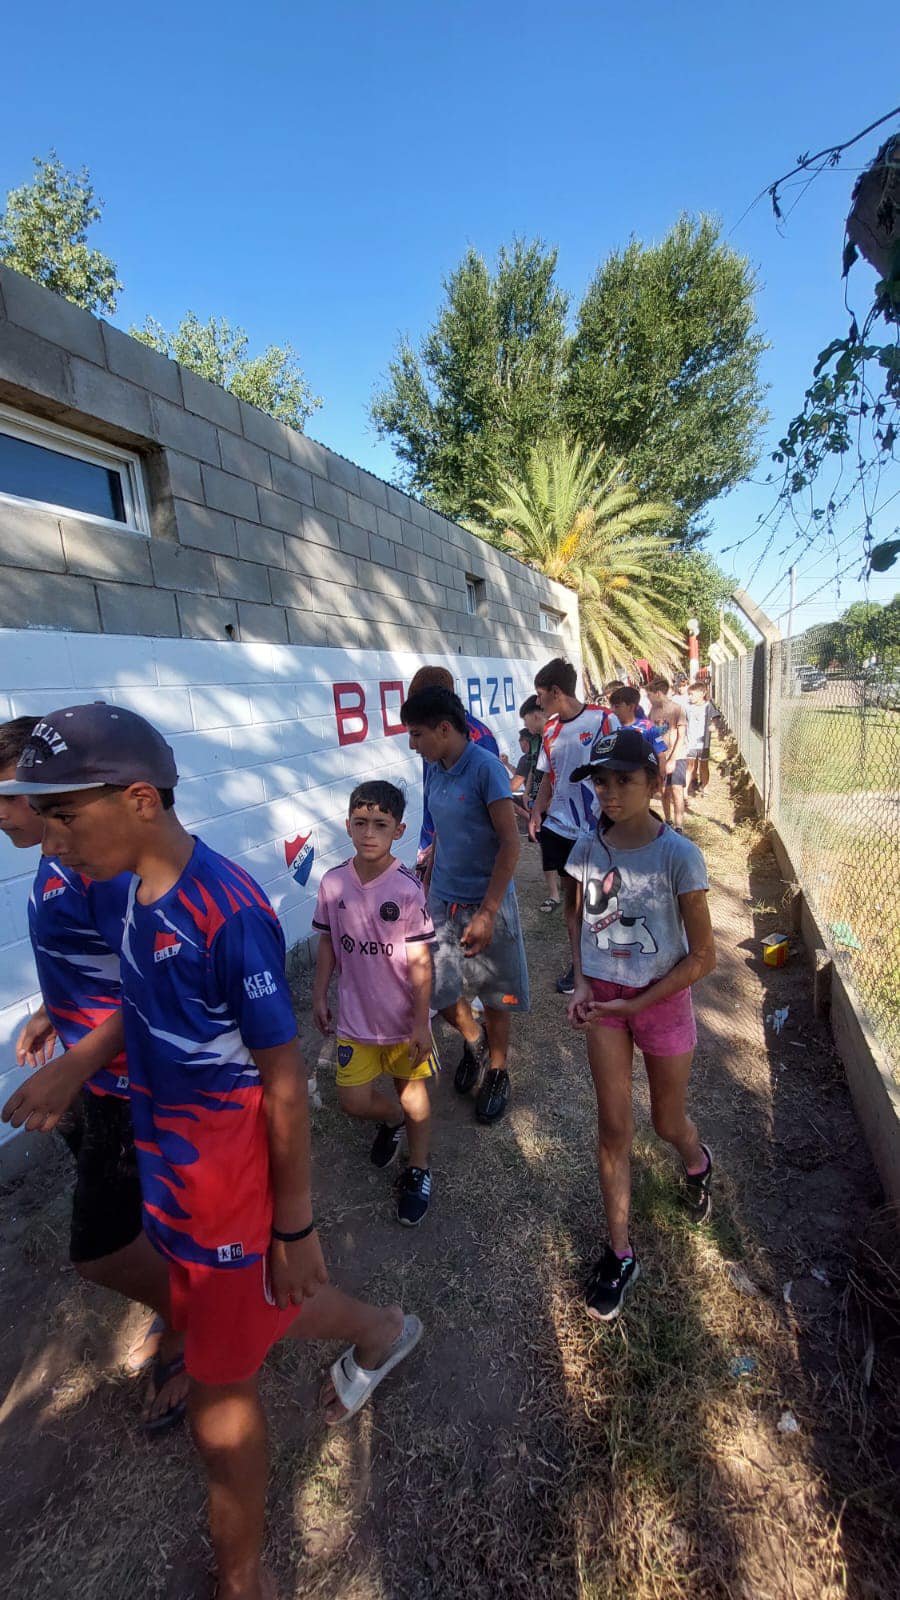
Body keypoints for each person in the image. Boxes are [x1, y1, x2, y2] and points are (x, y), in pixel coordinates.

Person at [0, 704, 421, 1600]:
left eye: (64, 817)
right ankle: (382, 1329)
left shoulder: (225, 913)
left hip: (230, 1195)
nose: (51, 840)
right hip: (174, 1178)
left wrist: (294, 1226)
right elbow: (141, 1009)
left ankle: (243, 1577)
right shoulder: (132, 893)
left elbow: (284, 1084)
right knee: (245, 1314)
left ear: (140, 800)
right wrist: (72, 1047)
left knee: (219, 1399)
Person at [0, 715, 187, 1433]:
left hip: (124, 1079)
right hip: (91, 1072)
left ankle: (195, 1321)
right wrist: (53, 1011)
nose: (5, 813)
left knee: (100, 1250)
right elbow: (95, 960)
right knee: (139, 1218)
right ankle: (182, 1303)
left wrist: (76, 1064)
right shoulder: (57, 856)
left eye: (13, 796)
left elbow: (149, 977)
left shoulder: (94, 864)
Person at [563, 727, 716, 1321]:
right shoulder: (586, 848)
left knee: (666, 1121)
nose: (609, 792)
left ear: (654, 782)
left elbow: (704, 957)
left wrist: (641, 1003)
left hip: (662, 1002)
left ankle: (697, 1161)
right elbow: (575, 919)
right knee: (613, 1128)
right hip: (605, 1003)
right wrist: (582, 981)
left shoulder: (679, 856)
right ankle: (620, 1253)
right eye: (600, 781)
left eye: (623, 780)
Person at [400, 686, 528, 1125]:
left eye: (416, 734)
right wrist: (428, 874)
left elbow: (511, 843)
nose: (412, 744)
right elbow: (443, 828)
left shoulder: (485, 768)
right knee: (438, 988)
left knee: (495, 992)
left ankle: (497, 1070)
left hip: (486, 899)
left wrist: (489, 912)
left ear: (444, 728)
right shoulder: (435, 767)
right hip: (442, 897)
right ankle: (474, 1040)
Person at [311, 780, 437, 1227]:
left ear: (398, 830)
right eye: (361, 822)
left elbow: (421, 961)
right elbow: (328, 942)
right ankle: (392, 1119)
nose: (369, 833)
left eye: (380, 825)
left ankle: (418, 1169)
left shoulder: (407, 889)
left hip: (403, 1021)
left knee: (414, 1095)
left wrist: (421, 1022)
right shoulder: (333, 882)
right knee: (352, 1100)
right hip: (355, 1018)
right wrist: (319, 993)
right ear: (347, 825)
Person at [527, 658, 618, 992]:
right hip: (560, 828)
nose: (539, 703)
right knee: (572, 902)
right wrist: (536, 812)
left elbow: (621, 772)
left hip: (599, 829)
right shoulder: (550, 730)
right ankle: (579, 968)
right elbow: (548, 777)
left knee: (602, 899)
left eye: (540, 695)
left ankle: (607, 962)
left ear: (556, 691)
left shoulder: (603, 720)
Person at [408, 665, 498, 866]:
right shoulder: (428, 734)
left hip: (468, 857)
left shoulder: (481, 740)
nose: (412, 744)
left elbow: (495, 823)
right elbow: (432, 793)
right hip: (433, 843)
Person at [647, 676, 688, 834]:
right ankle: (668, 821)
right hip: (660, 757)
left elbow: (681, 736)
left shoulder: (677, 709)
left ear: (658, 693)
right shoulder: (652, 711)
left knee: (677, 789)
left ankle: (679, 825)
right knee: (664, 791)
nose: (648, 699)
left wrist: (672, 759)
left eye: (649, 695)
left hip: (677, 755)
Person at [607, 686, 669, 776]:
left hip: (645, 779)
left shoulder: (648, 727)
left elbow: (660, 755)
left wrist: (660, 777)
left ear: (631, 707)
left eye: (617, 706)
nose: (612, 710)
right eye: (611, 706)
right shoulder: (611, 728)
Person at [685, 680, 713, 797]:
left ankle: (704, 786)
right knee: (690, 766)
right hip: (690, 742)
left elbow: (716, 719)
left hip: (703, 743)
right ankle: (686, 789)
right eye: (689, 694)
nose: (690, 697)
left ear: (702, 693)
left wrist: (714, 725)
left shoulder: (709, 706)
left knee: (704, 765)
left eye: (692, 694)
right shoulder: (688, 707)